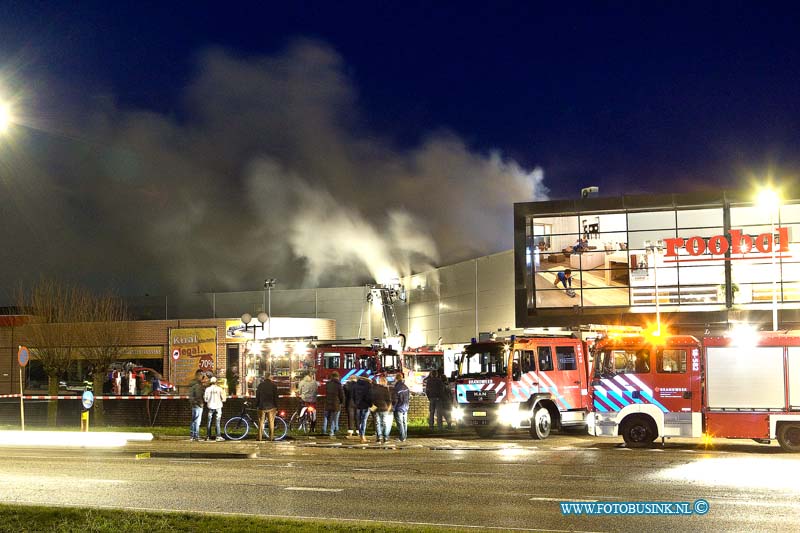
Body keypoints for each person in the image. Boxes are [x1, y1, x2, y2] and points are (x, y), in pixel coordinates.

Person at [255, 373, 279, 441]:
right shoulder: (274, 386)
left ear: (265, 377)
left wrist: (256, 405)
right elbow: (276, 397)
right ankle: (271, 437)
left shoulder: (260, 385)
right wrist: (277, 407)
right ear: (270, 377)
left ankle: (259, 437)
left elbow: (257, 396)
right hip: (271, 407)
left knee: (260, 423)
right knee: (271, 422)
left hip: (261, 406)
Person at [371, 376, 393, 444]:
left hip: (377, 409)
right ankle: (385, 437)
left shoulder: (375, 389)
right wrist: (389, 408)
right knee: (385, 423)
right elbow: (389, 400)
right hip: (384, 408)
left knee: (378, 423)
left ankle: (379, 437)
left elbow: (372, 399)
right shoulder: (386, 389)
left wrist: (373, 408)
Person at [204, 376, 226, 441]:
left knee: (209, 422)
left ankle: (208, 436)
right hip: (218, 406)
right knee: (217, 422)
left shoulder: (207, 389)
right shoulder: (220, 389)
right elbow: (224, 399)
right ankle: (218, 436)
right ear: (216, 382)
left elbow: (205, 399)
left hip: (210, 406)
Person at [323, 371, 345, 437]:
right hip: (336, 403)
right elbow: (341, 395)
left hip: (328, 402)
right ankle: (332, 431)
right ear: (337, 377)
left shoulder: (328, 384)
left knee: (326, 417)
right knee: (333, 418)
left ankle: (324, 430)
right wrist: (342, 402)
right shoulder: (338, 384)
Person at [353, 375, 373, 443]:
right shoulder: (368, 385)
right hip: (365, 405)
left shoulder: (355, 385)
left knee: (359, 421)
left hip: (358, 405)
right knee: (364, 421)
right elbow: (369, 396)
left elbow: (353, 395)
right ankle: (362, 436)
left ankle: (361, 435)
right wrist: (370, 405)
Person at [392, 372, 410, 442]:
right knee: (404, 422)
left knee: (400, 423)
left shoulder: (397, 388)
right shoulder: (405, 387)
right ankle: (404, 436)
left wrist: (393, 407)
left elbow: (396, 399)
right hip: (405, 406)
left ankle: (402, 437)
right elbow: (408, 397)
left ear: (396, 379)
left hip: (399, 407)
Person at [188, 370, 205, 442]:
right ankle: (196, 436)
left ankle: (192, 435)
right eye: (202, 376)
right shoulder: (198, 385)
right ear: (199, 375)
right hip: (198, 404)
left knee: (193, 420)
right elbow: (198, 396)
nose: (203, 378)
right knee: (197, 421)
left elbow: (191, 395)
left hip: (193, 404)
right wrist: (200, 403)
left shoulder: (192, 384)